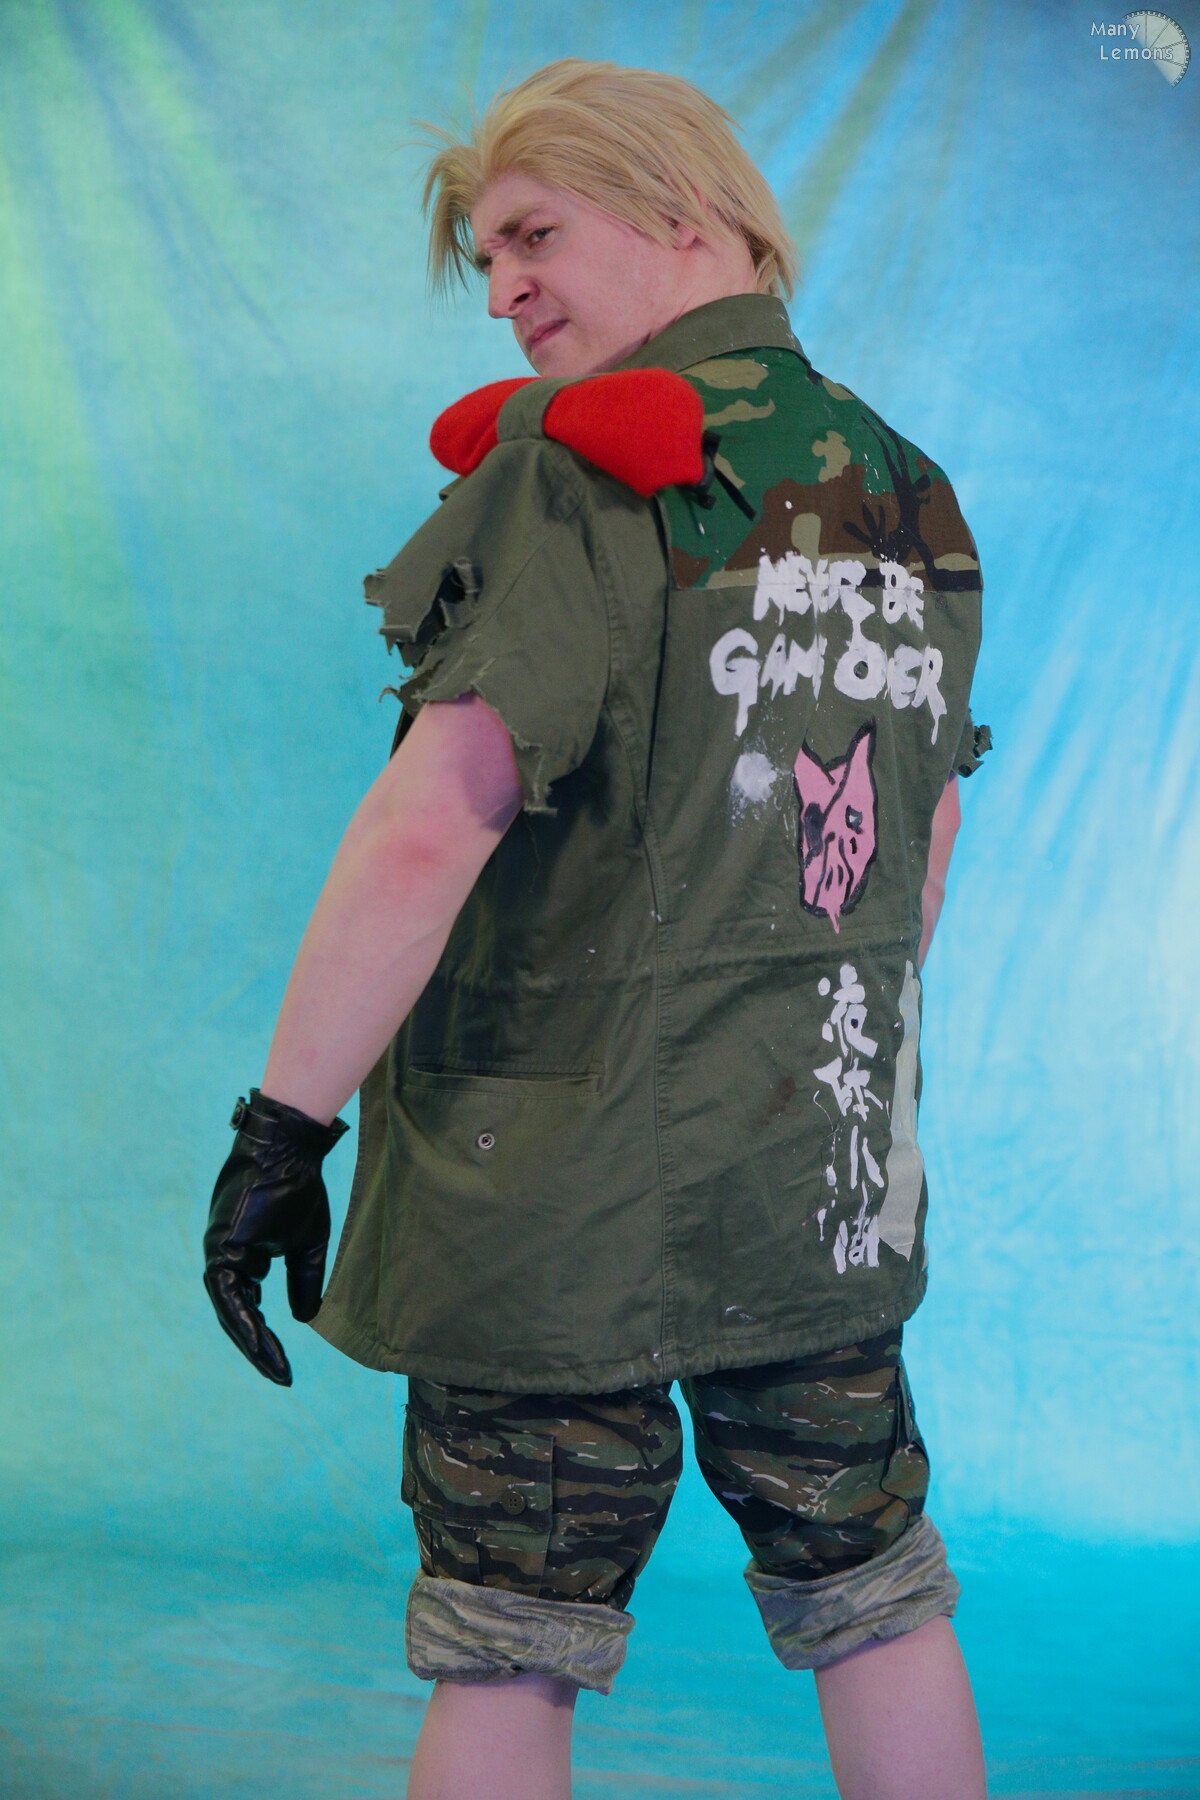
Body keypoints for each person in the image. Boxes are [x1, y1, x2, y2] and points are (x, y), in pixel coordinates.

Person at [203, 59, 991, 1800]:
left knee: (512, 1634)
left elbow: (431, 827)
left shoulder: (572, 478)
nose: (504, 291)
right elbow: (918, 847)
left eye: (532, 236)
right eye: (486, 260)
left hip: (548, 1195)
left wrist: (283, 1130)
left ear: (680, 209)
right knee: (872, 1592)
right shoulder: (904, 485)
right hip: (816, 1166)